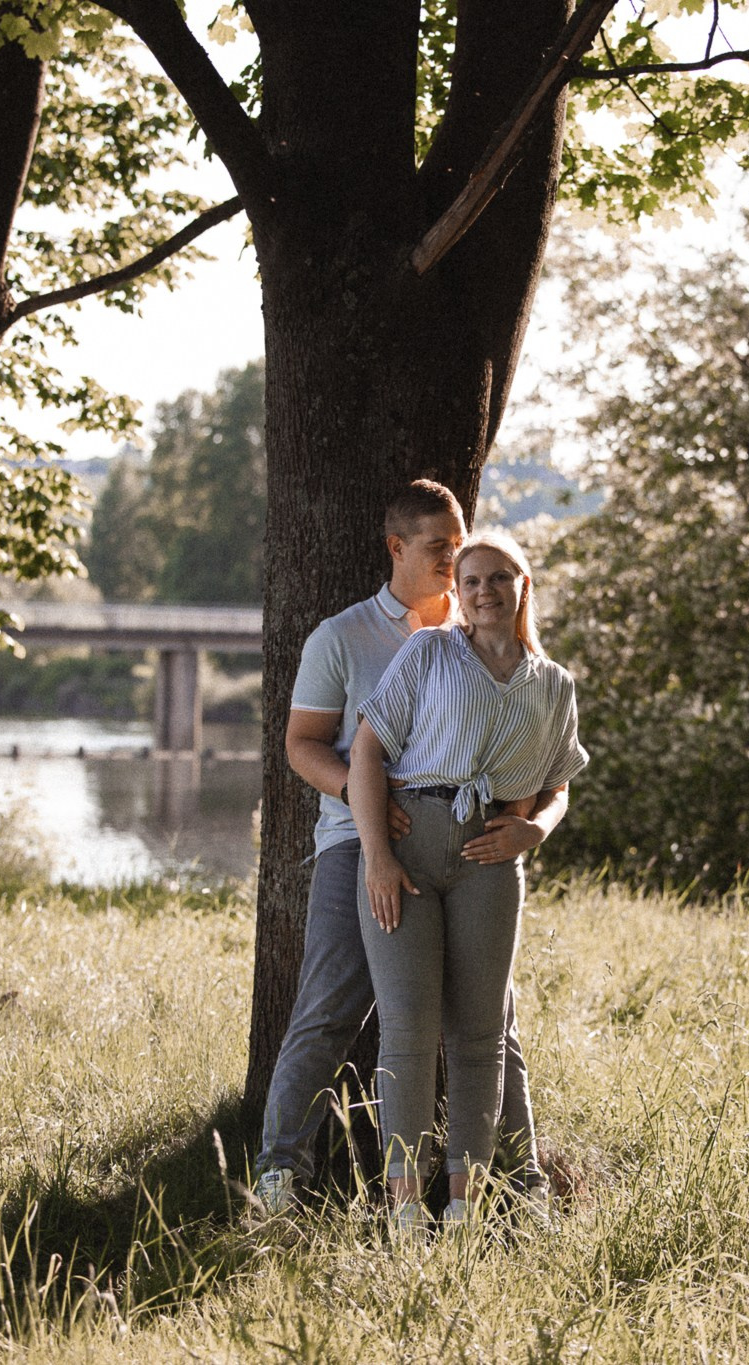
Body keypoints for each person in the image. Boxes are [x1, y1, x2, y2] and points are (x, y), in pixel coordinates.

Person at [251, 482, 549, 1217]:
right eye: (440, 548)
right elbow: (302, 745)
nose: (456, 562)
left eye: (461, 544)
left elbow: (528, 738)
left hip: (465, 852)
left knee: (491, 1021)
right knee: (329, 1006)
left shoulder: (478, 627)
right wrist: (372, 810)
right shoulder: (342, 637)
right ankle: (278, 1175)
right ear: (397, 548)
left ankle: (520, 1178)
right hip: (359, 846)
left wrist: (526, 822)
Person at [349, 528, 587, 1231]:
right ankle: (404, 1209)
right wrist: (377, 857)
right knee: (408, 1028)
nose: (484, 591)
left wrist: (536, 828)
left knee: (481, 1035)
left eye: (498, 579)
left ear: (522, 588)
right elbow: (366, 751)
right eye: (471, 579)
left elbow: (559, 785)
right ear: (458, 591)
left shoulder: (553, 684)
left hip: (491, 857)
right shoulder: (430, 652)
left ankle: (462, 1204)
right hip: (410, 846)